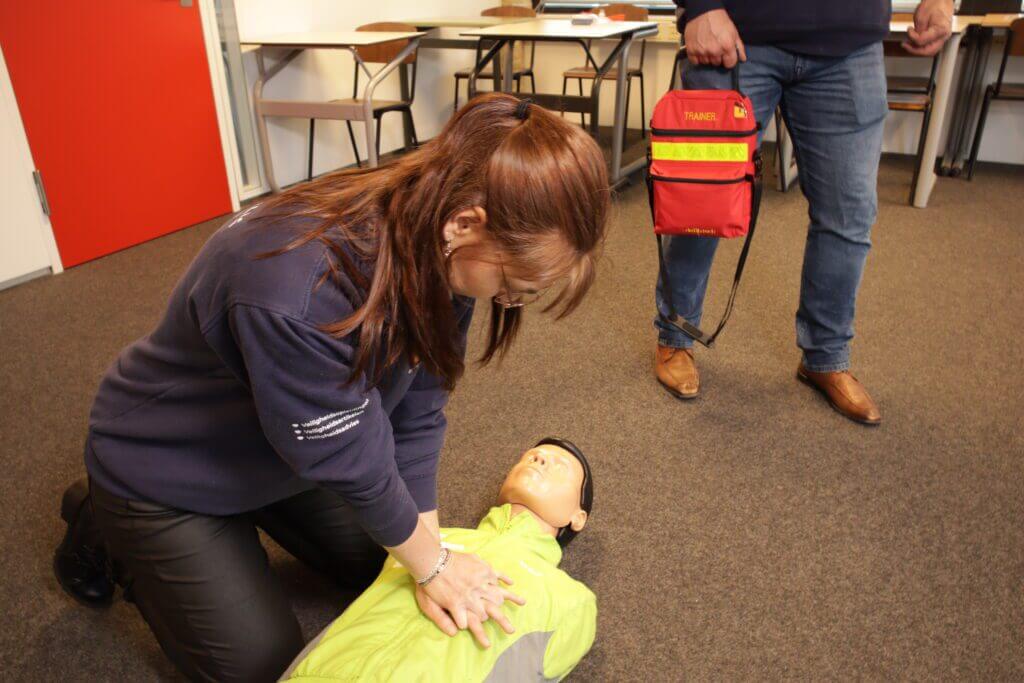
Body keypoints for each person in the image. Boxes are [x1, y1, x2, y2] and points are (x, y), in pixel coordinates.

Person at [52, 93, 609, 682]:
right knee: (260, 664)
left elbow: (419, 410)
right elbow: (352, 459)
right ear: (465, 224)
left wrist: (432, 552)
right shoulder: (299, 284)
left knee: (384, 559)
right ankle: (103, 518)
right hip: (168, 466)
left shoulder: (443, 242)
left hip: (289, 443)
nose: (508, 301)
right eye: (514, 284)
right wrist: (433, 563)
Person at [655, 0, 954, 424]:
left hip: (849, 44)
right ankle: (675, 334)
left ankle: (826, 357)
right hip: (734, 33)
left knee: (848, 214)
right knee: (701, 202)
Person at [280, 438, 596, 683]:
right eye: (530, 455)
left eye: (560, 466)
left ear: (577, 518)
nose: (539, 457)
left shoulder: (572, 600)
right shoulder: (422, 536)